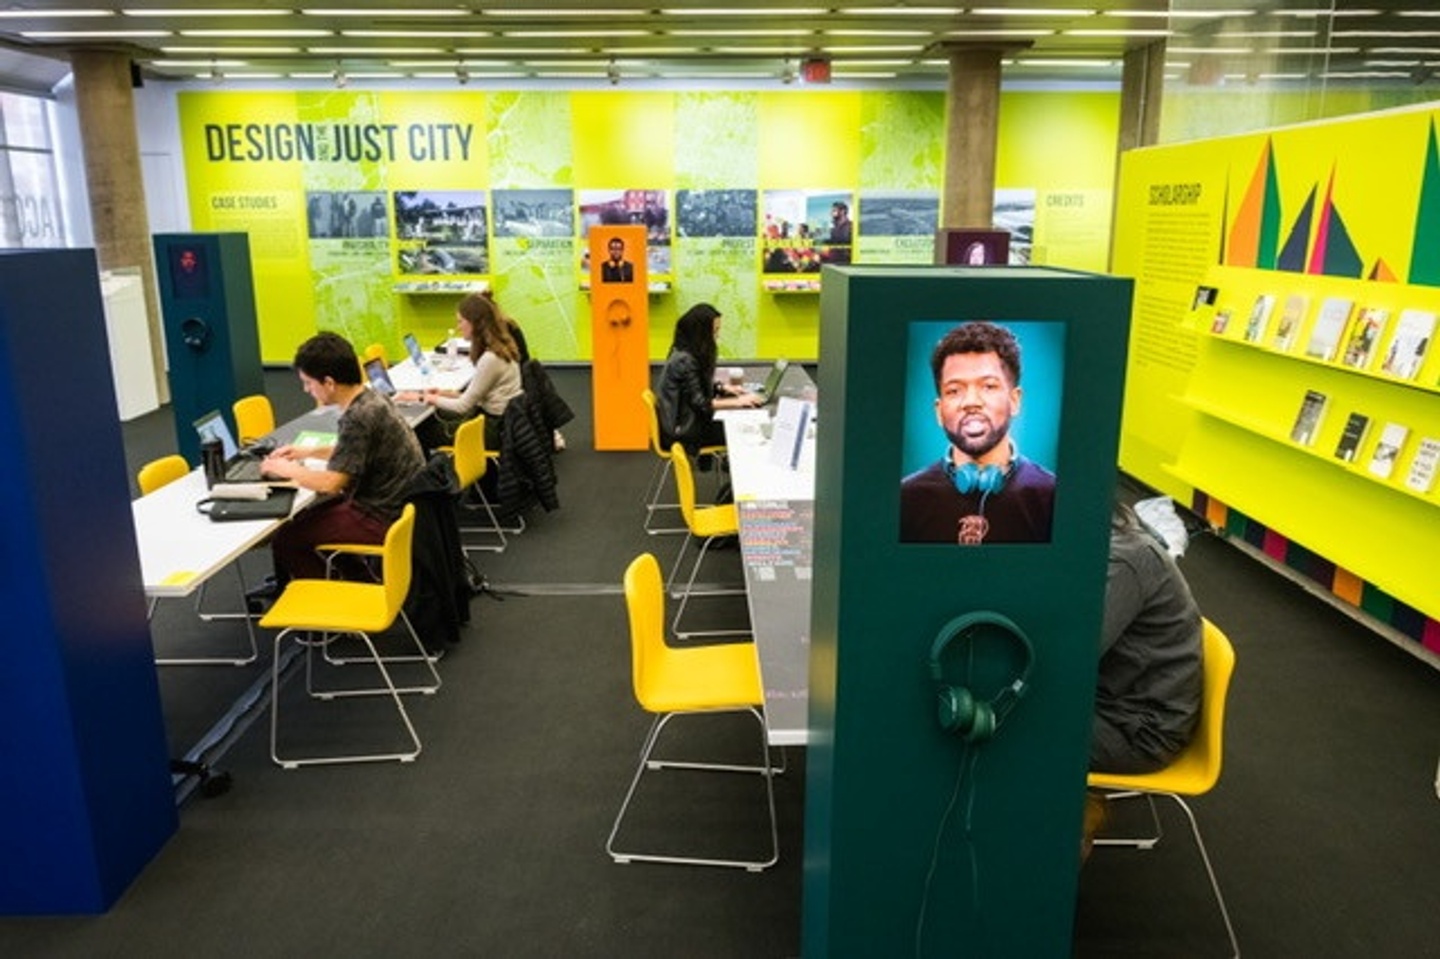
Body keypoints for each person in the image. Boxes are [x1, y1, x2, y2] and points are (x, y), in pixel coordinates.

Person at [1083, 503, 1204, 859]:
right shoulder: (1108, 542)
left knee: (1012, 729)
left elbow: (1073, 659)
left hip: (1140, 730)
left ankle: (1049, 863)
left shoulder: (1125, 560)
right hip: (1120, 703)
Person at [259, 332, 425, 585]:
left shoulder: (357, 417)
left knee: (288, 539)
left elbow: (331, 483)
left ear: (328, 383)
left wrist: (285, 468)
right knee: (309, 521)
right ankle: (358, 583)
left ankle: (330, 599)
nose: (306, 390)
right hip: (400, 505)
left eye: (308, 383)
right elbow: (356, 450)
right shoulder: (371, 398)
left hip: (381, 514)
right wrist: (307, 452)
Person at [899, 321, 1056, 544]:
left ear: (1015, 400)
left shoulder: (1052, 496)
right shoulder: (904, 498)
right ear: (939, 411)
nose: (971, 402)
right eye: (954, 390)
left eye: (988, 386)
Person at [399, 291, 523, 452]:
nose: (458, 327)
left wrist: (423, 397)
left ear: (475, 323)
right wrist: (442, 394)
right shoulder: (500, 348)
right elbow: (476, 395)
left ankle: (432, 474)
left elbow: (463, 405)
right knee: (435, 417)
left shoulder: (490, 358)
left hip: (493, 431)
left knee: (420, 431)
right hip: (502, 423)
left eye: (461, 321)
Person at [656, 302, 760, 454]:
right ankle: (732, 470)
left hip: (683, 423)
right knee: (738, 431)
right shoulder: (685, 360)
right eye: (714, 331)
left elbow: (692, 389)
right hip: (683, 432)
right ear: (701, 333)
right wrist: (738, 401)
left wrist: (722, 388)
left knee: (734, 424)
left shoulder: (683, 350)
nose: (717, 336)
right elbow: (701, 404)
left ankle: (726, 467)